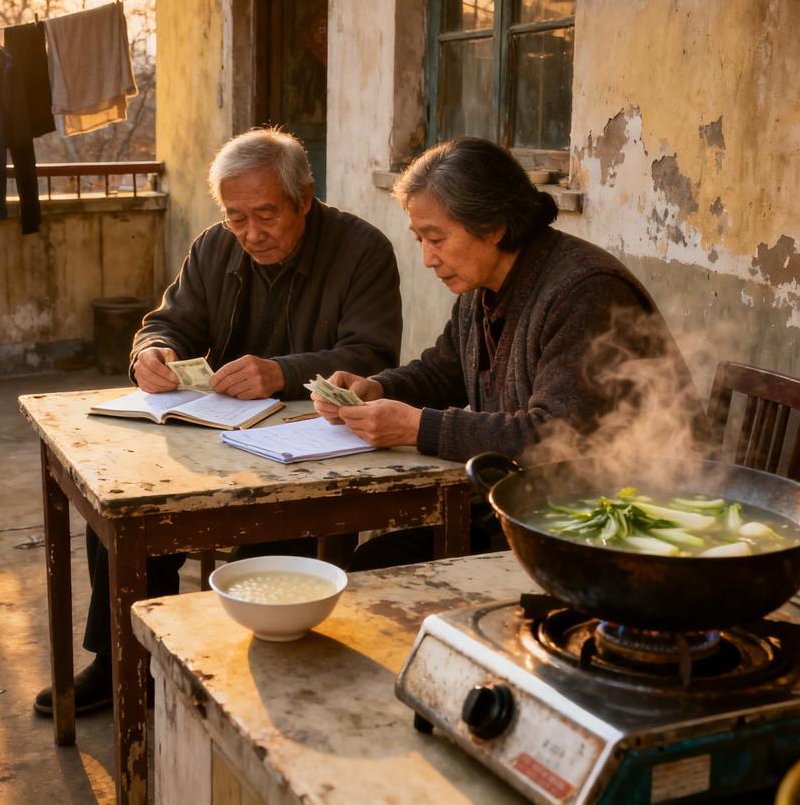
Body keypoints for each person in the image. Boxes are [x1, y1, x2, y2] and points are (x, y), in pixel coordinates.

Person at [35, 127, 402, 716]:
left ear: (304, 198)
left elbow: (373, 355)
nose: (251, 233)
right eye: (237, 217)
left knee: (281, 528)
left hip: (310, 445)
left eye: (267, 215)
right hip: (216, 432)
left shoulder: (362, 251)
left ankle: (259, 675)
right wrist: (148, 353)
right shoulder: (214, 247)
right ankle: (123, 662)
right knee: (121, 500)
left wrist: (281, 372)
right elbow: (169, 322)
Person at [311, 137, 697, 569]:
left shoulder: (585, 292)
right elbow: (443, 370)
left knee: (377, 567)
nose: (427, 258)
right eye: (419, 238)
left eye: (436, 238)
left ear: (494, 225)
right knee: (375, 559)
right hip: (526, 508)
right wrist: (377, 387)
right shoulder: (482, 288)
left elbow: (553, 438)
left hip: (609, 526)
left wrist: (418, 428)